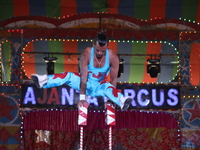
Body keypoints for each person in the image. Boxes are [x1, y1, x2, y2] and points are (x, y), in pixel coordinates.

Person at [31, 32, 132, 110]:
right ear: (93, 45)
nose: (100, 53)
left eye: (103, 50)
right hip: (85, 83)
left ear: (107, 46)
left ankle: (121, 101)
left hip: (100, 87)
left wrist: (111, 100)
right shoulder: (87, 53)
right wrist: (82, 98)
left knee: (109, 87)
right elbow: (83, 78)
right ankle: (43, 80)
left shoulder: (113, 57)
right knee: (68, 75)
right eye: (97, 50)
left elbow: (114, 80)